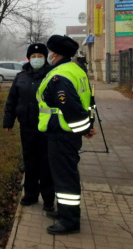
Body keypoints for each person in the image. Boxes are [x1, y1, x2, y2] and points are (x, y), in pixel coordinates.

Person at [36, 35, 96, 236]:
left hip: (61, 133)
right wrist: (86, 127)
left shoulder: (59, 76)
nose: (48, 56)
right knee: (65, 175)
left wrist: (83, 128)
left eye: (50, 52)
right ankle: (65, 211)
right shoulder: (76, 70)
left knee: (64, 178)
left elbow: (70, 106)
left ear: (55, 54)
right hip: (67, 133)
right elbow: (88, 101)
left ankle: (69, 220)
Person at [3, 43, 55, 212]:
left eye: (40, 56)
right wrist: (8, 121)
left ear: (45, 58)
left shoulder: (52, 76)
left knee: (46, 164)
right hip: (26, 127)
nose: (37, 59)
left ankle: (48, 199)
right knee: (30, 162)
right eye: (33, 56)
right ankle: (30, 194)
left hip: (46, 128)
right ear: (28, 58)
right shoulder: (21, 76)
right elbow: (12, 101)